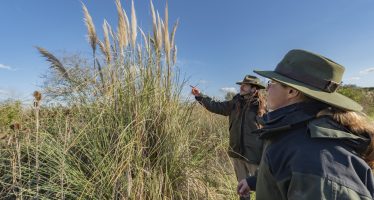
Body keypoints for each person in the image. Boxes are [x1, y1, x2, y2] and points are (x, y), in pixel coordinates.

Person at [237, 49, 374, 199]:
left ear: (291, 91)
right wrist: (254, 181)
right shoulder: (293, 130)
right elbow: (287, 172)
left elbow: (314, 178)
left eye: (273, 82)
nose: (267, 88)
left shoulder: (317, 158)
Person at [191, 75, 266, 196]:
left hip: (255, 156)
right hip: (237, 153)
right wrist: (200, 96)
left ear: (254, 89)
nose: (241, 87)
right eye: (241, 84)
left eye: (245, 85)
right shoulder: (234, 103)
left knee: (262, 188)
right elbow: (216, 106)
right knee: (243, 189)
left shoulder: (262, 106)